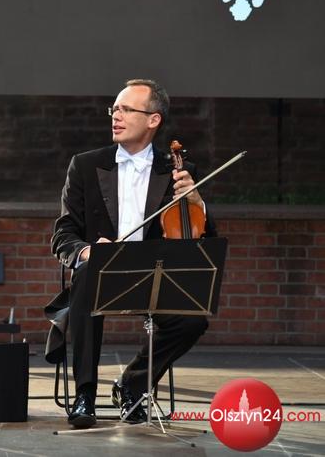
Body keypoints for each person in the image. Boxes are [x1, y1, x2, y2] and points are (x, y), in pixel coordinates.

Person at [50, 79, 216, 429]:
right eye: (115, 109)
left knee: (193, 319)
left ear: (153, 120)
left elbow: (202, 237)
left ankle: (134, 384)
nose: (116, 116)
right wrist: (86, 252)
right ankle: (84, 394)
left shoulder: (178, 171)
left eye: (126, 109)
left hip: (154, 275)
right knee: (86, 275)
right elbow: (63, 234)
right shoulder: (85, 165)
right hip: (100, 274)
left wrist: (198, 201)